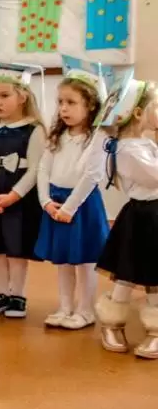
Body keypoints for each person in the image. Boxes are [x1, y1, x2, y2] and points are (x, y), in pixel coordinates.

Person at [35, 61, 109, 330]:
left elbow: (92, 175)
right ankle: (65, 307)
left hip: (81, 205)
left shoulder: (98, 137)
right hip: (56, 202)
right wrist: (45, 201)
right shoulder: (58, 135)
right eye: (60, 102)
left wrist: (69, 207)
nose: (63, 108)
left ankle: (85, 310)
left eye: (71, 102)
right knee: (63, 260)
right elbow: (43, 168)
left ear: (90, 106)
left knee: (84, 261)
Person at [0, 61, 47, 319]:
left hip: (19, 199)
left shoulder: (34, 130)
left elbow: (35, 169)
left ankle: (18, 295)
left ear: (22, 96)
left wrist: (13, 196)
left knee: (17, 249)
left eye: (4, 96)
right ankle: (1, 292)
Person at [93, 77, 158, 359]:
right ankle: (112, 322)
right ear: (139, 113)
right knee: (128, 271)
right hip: (144, 216)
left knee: (153, 271)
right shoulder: (128, 149)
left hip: (153, 214)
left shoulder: (144, 143)